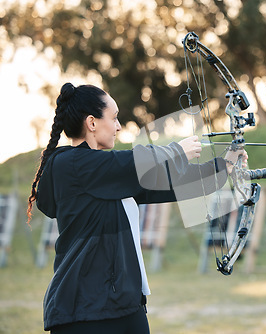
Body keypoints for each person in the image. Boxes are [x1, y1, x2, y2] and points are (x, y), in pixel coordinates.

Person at [27, 82, 246, 334]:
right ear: (92, 122)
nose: (119, 126)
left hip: (122, 303)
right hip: (84, 309)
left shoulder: (109, 175)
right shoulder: (71, 165)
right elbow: (133, 161)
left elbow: (173, 183)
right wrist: (177, 150)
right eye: (115, 117)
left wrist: (224, 165)